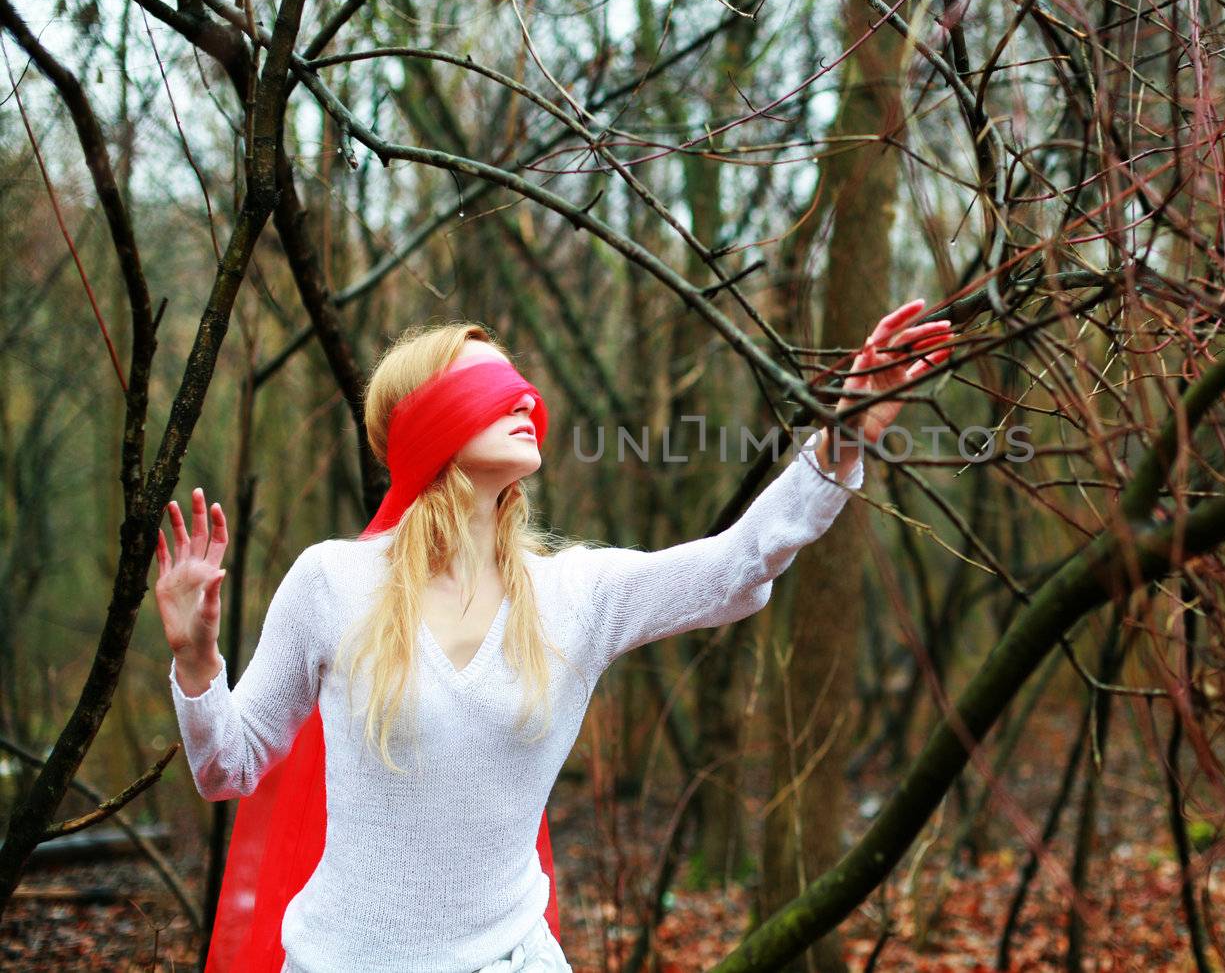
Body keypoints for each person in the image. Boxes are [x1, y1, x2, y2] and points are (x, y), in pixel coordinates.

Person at [154, 301, 953, 973]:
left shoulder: (575, 595)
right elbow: (229, 766)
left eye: (519, 384)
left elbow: (741, 562)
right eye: (488, 383)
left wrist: (844, 432)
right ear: (424, 419)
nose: (523, 399)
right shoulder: (332, 582)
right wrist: (196, 660)